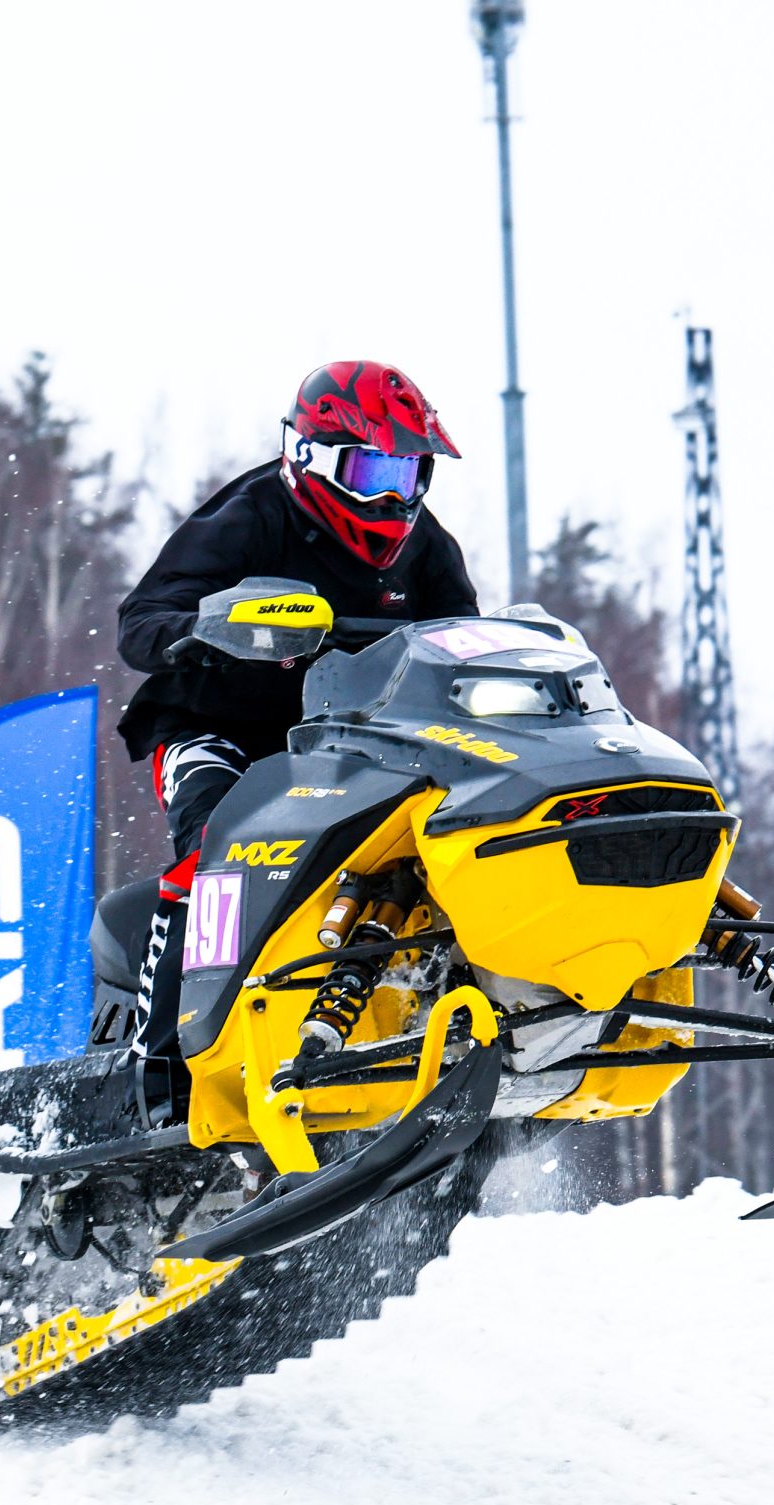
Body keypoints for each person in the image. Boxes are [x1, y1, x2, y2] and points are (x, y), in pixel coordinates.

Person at [113, 361, 478, 1121]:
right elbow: (140, 621)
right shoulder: (250, 518)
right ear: (312, 456)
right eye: (374, 471)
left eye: (409, 473)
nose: (393, 496)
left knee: (440, 848)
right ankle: (159, 1065)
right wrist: (208, 628)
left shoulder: (427, 548)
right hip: (220, 730)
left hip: (353, 742)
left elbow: (462, 642)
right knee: (217, 852)